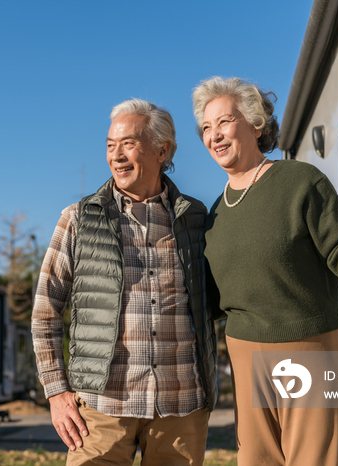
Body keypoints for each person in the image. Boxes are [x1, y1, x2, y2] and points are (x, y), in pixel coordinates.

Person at [191, 76, 338, 466]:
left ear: (255, 123)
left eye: (224, 121)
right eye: (206, 127)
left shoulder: (299, 181)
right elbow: (213, 300)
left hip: (309, 346)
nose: (214, 135)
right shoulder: (213, 213)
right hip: (244, 351)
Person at [31, 98, 218, 466]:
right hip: (101, 409)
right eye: (110, 146)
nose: (116, 156)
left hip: (181, 408)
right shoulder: (78, 218)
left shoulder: (196, 217)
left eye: (128, 144)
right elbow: (45, 310)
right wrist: (56, 392)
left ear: (162, 150)